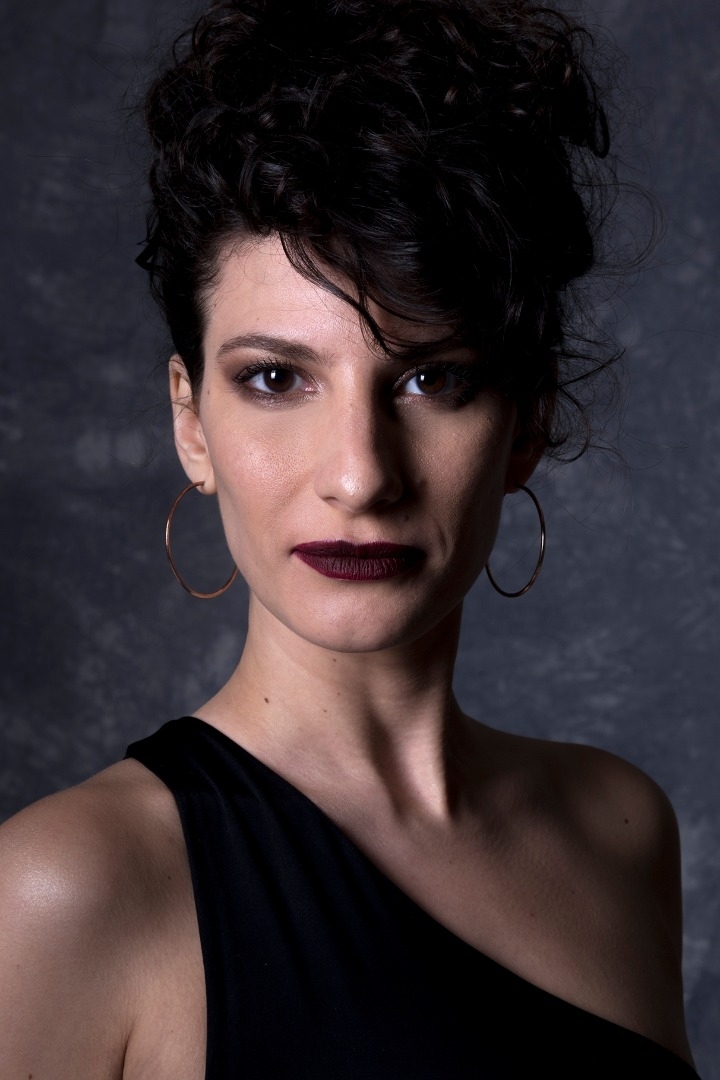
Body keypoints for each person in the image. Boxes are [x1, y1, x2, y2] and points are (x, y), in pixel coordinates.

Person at [0, 0, 698, 1076]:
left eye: (433, 379)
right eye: (277, 379)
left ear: (527, 422)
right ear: (192, 424)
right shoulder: (67, 889)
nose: (361, 475)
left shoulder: (621, 830)